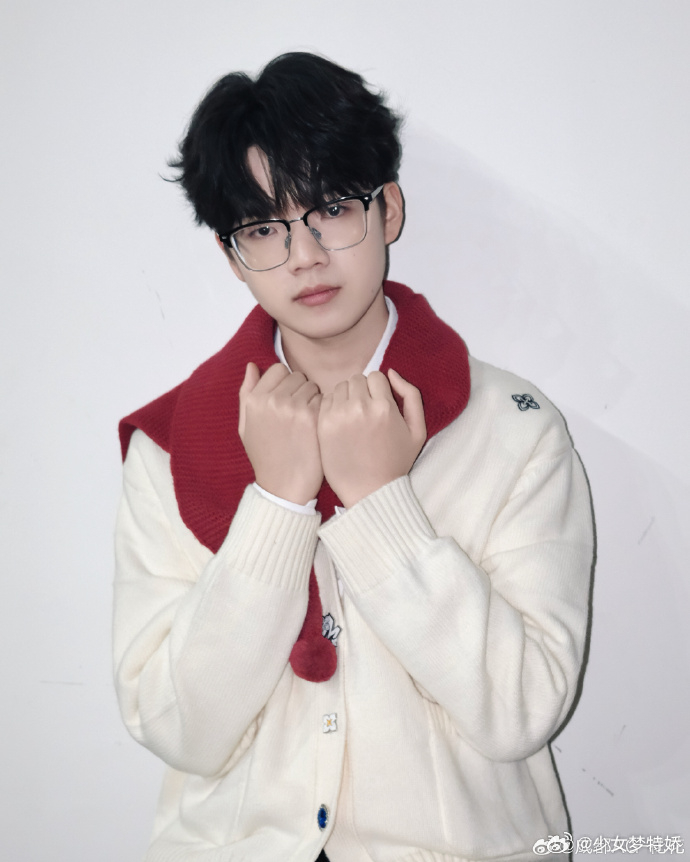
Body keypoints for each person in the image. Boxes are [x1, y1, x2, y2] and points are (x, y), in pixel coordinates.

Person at [114, 52, 594, 862]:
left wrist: (379, 505)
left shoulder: (514, 430)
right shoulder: (172, 445)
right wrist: (276, 505)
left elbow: (522, 710)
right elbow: (178, 730)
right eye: (263, 228)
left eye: (331, 210)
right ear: (231, 255)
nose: (303, 256)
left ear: (389, 209)